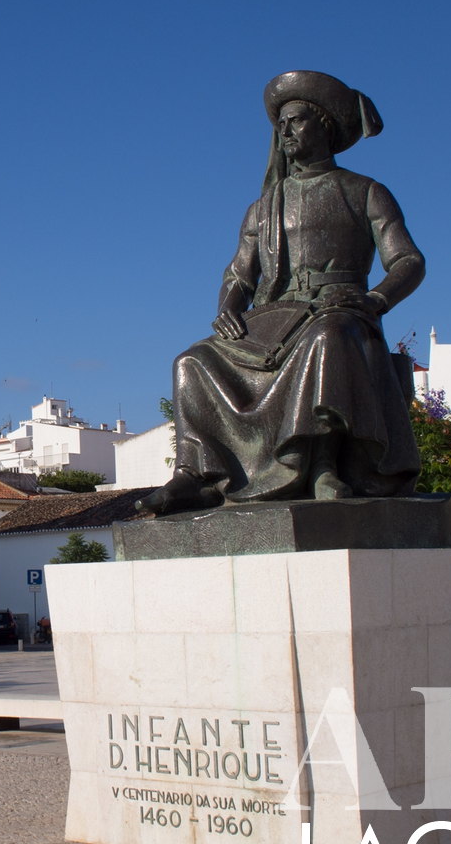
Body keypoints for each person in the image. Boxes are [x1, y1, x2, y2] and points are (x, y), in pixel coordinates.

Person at [138, 71, 424, 517]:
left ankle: (322, 466)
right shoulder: (264, 206)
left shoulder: (365, 192)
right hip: (275, 318)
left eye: (296, 121)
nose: (285, 132)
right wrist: (229, 306)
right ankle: (199, 474)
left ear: (324, 126)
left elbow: (408, 261)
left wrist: (375, 300)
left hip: (340, 312)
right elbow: (239, 274)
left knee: (326, 337)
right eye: (281, 124)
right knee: (191, 361)